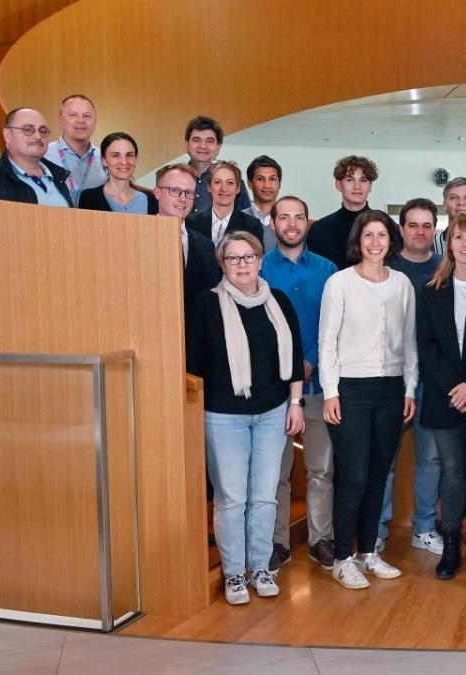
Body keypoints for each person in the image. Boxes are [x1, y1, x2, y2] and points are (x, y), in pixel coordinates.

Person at [186, 231, 305, 605]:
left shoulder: (279, 301)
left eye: (248, 256)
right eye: (233, 258)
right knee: (232, 499)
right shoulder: (205, 304)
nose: (242, 264)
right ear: (223, 264)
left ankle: (260, 568)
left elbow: (296, 355)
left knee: (265, 497)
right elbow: (192, 364)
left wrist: (296, 404)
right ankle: (234, 573)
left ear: (259, 260)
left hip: (272, 412)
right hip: (223, 416)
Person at [317, 210, 416, 590]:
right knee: (354, 476)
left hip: (390, 390)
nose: (375, 243)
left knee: (379, 476)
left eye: (382, 236)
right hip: (350, 390)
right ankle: (343, 558)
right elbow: (327, 343)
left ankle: (368, 552)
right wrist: (331, 393)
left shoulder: (403, 284)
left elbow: (408, 343)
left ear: (392, 241)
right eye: (368, 236)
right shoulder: (339, 283)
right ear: (358, 241)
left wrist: (409, 388)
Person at [259, 196, 338, 573]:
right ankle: (277, 542)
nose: (292, 224)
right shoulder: (257, 268)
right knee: (278, 472)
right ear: (273, 223)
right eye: (284, 217)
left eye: (299, 217)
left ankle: (321, 538)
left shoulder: (328, 270)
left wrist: (308, 361)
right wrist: (289, 367)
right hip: (274, 392)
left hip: (319, 385)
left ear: (309, 223)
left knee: (321, 470)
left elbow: (334, 325)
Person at [417, 213, 466, 580]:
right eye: (457, 237)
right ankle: (450, 549)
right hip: (446, 395)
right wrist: (458, 387)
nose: (464, 244)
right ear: (448, 244)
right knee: (453, 473)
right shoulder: (432, 290)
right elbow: (426, 348)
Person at [389, 198, 445, 556]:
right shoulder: (385, 268)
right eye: (413, 225)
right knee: (384, 460)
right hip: (390, 380)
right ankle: (375, 530)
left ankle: (424, 527)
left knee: (431, 457)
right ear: (402, 230)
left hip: (433, 379)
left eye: (427, 226)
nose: (421, 232)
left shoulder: (446, 268)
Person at [0, 107, 72, 207]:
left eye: (43, 131)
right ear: (7, 135)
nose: (38, 136)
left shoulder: (60, 177)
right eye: (28, 130)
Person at [155, 164, 219, 310]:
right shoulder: (137, 238)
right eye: (175, 191)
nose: (183, 198)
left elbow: (211, 297)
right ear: (157, 193)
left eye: (189, 193)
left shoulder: (206, 246)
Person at [307, 155, 378, 269]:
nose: (357, 186)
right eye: (350, 180)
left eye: (363, 180)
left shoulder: (387, 227)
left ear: (370, 186)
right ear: (339, 185)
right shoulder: (319, 229)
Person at [185, 160, 265, 246]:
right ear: (209, 187)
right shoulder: (191, 223)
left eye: (230, 183)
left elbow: (256, 257)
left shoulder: (252, 225)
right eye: (217, 182)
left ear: (238, 188)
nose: (224, 189)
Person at [77, 132, 158, 215]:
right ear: (104, 160)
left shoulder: (152, 199)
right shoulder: (89, 197)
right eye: (116, 155)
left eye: (129, 155)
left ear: (136, 159)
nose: (124, 162)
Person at [45, 94, 106, 204]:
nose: (81, 120)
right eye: (73, 115)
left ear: (95, 121)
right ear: (60, 120)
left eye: (87, 116)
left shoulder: (106, 159)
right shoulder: (42, 156)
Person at [185, 115, 250, 214]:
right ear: (187, 145)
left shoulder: (233, 181)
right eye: (196, 140)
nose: (203, 146)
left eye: (209, 141)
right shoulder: (173, 179)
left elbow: (246, 220)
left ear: (218, 147)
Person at [244, 155, 282, 252]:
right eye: (260, 179)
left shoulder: (291, 220)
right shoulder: (238, 218)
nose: (267, 185)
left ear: (279, 184)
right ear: (250, 183)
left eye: (272, 179)